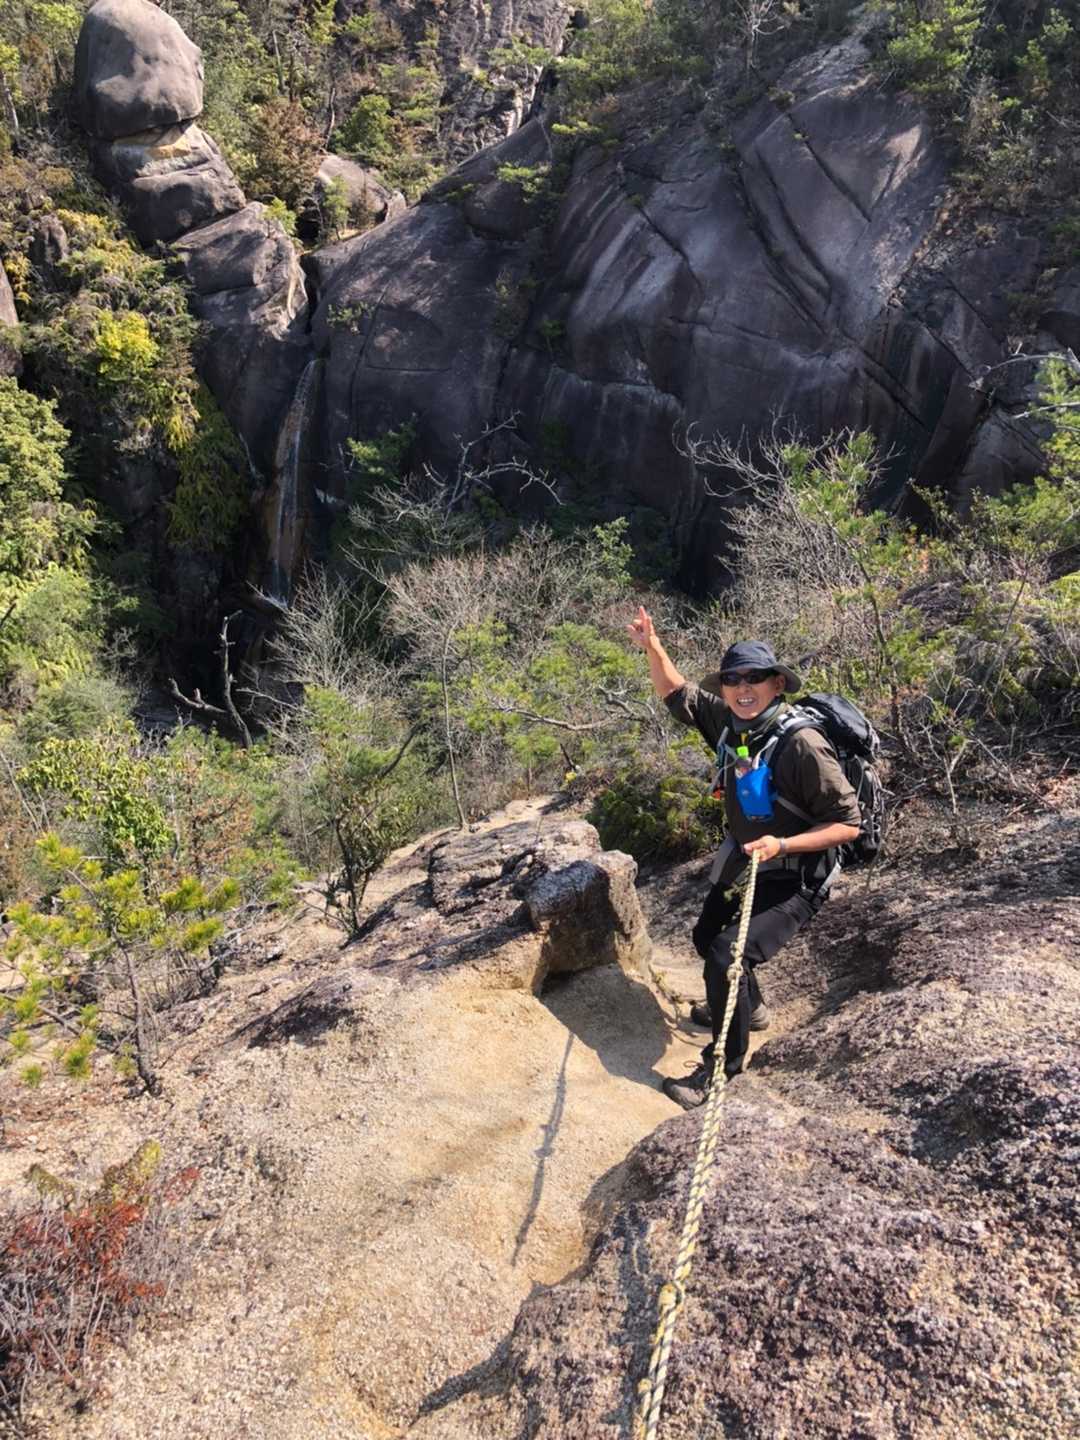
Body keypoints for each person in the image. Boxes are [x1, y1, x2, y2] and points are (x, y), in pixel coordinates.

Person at [627, 607, 860, 1109]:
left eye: (754, 678)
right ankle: (745, 1010)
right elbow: (676, 691)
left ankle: (721, 1071)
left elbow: (848, 824)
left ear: (777, 684)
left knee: (726, 954)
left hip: (798, 874)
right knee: (705, 937)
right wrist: (653, 646)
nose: (742, 687)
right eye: (732, 679)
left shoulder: (802, 745)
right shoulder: (730, 723)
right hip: (749, 860)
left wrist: (783, 845)